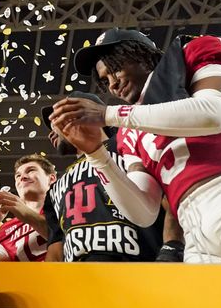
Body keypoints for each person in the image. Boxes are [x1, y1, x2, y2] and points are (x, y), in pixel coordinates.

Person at [51, 28, 221, 263]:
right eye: (105, 80)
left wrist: (109, 114)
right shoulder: (130, 129)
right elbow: (144, 213)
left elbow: (213, 114)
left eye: (115, 68)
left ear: (143, 56)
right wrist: (97, 155)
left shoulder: (192, 53)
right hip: (192, 226)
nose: (113, 85)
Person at [41, 92, 164, 262]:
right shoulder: (55, 188)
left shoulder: (128, 142)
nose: (53, 129)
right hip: (78, 276)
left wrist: (174, 247)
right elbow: (55, 248)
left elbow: (170, 197)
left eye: (59, 119)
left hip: (139, 267)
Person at [0, 154, 55, 262]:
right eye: (18, 176)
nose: (22, 177)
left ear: (51, 178)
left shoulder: (67, 206)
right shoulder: (6, 229)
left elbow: (68, 239)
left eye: (31, 170)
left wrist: (26, 214)